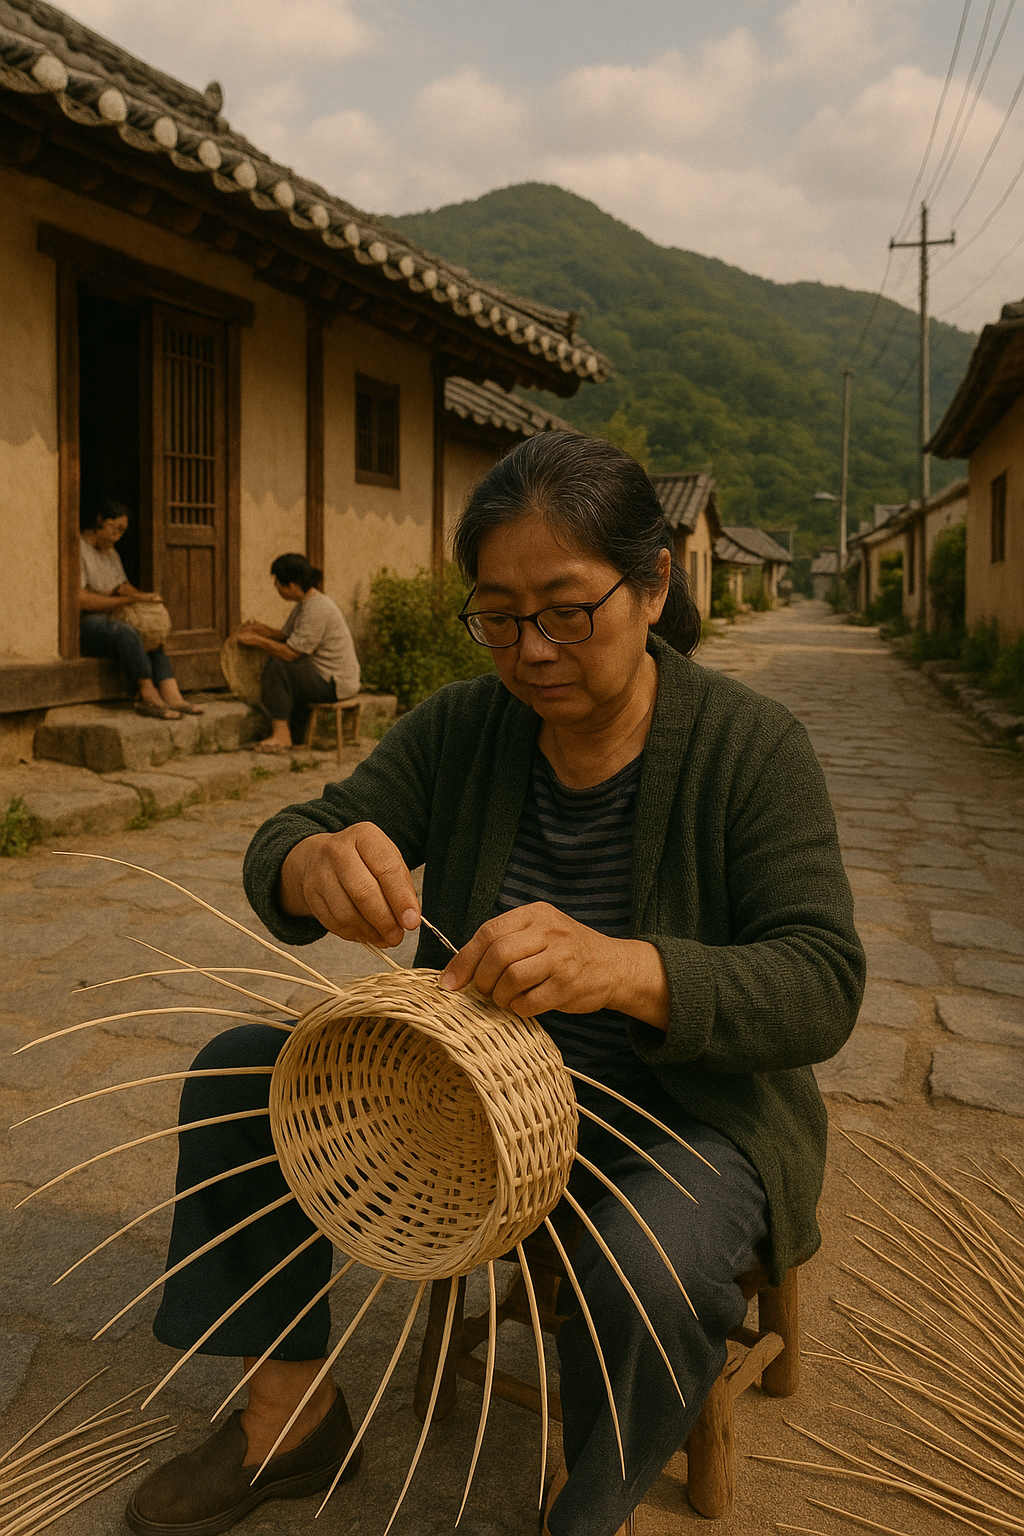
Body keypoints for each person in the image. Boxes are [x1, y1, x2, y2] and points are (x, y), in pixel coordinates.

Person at [125, 435, 864, 1536]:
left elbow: (822, 981)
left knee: (649, 1261)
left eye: (566, 610)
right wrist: (309, 861)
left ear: (653, 584)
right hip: (463, 1102)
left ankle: (593, 1494)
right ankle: (289, 1419)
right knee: (239, 1080)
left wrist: (628, 967)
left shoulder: (749, 750)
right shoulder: (467, 728)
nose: (530, 649)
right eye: (499, 615)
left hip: (678, 1117)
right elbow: (298, 828)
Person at [79, 497, 202, 721]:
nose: (118, 535)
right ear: (99, 520)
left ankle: (172, 694)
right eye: (114, 528)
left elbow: (122, 587)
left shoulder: (111, 553)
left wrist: (143, 598)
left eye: (123, 531)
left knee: (152, 636)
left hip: (111, 614)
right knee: (125, 632)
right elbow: (81, 599)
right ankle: (146, 693)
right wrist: (121, 602)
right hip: (86, 624)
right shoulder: (79, 549)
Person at [234, 554, 360, 754]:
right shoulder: (305, 604)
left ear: (292, 585)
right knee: (282, 662)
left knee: (278, 666)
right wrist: (262, 629)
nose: (277, 588)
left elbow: (292, 652)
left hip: (335, 684)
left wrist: (257, 641)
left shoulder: (318, 608)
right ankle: (294, 733)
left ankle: (281, 736)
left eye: (278, 584)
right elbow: (287, 636)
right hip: (323, 677)